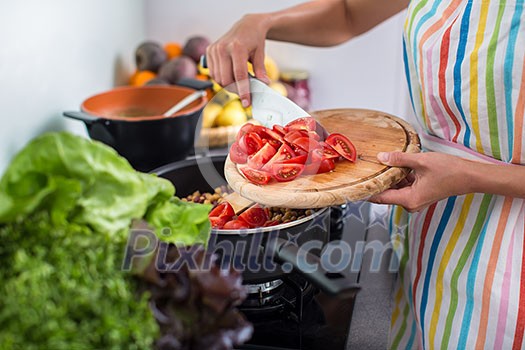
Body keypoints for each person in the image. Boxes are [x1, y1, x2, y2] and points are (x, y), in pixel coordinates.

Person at [206, 0, 525, 348]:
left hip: (508, 252)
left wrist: (473, 175)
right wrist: (263, 21)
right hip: (429, 224)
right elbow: (348, 13)